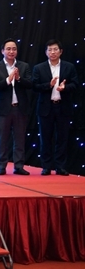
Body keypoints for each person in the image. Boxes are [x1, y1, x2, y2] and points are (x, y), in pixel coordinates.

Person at [32, 39, 79, 176]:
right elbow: (34, 87)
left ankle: (60, 166)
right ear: (46, 52)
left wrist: (65, 88)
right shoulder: (39, 68)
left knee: (62, 138)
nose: (52, 52)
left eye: (55, 49)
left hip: (63, 107)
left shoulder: (69, 67)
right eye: (50, 50)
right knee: (45, 138)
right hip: (45, 108)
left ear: (61, 51)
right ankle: (46, 166)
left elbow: (75, 84)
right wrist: (49, 85)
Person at [0, 39, 33, 175]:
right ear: (2, 51)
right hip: (3, 109)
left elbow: (30, 84)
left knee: (20, 138)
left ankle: (19, 166)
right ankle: (1, 166)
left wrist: (18, 78)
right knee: (2, 139)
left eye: (14, 49)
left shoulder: (24, 66)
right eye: (8, 49)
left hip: (20, 108)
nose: (11, 51)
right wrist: (8, 79)